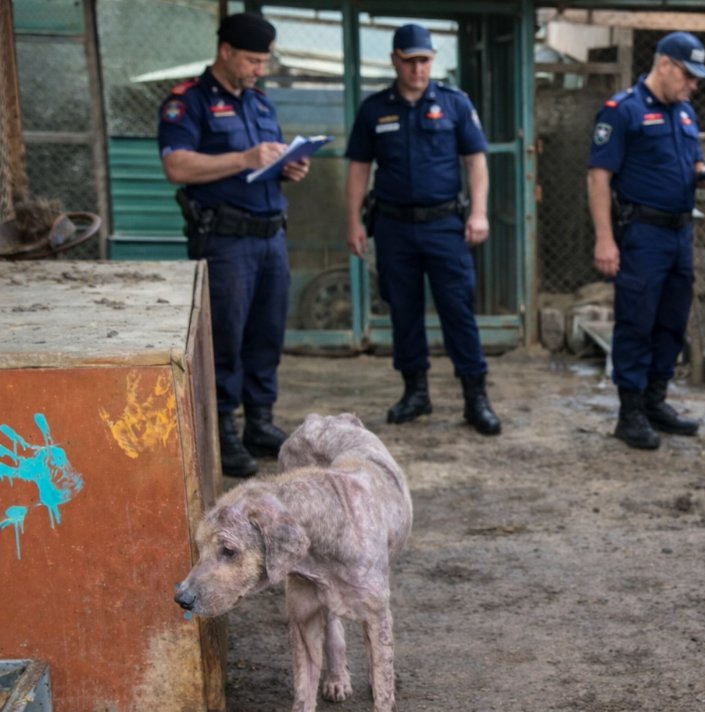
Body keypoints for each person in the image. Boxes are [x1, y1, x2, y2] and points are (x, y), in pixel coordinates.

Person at [158, 11, 310, 478]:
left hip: (271, 235)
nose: (259, 70)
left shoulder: (260, 103)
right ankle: (222, 428)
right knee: (225, 337)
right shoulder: (188, 101)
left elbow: (267, 159)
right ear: (225, 52)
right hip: (225, 240)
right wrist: (244, 158)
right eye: (251, 61)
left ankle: (259, 422)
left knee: (267, 333)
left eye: (264, 61)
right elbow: (177, 167)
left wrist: (289, 166)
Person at [344, 23, 500, 437]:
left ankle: (475, 397)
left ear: (433, 61)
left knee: (458, 310)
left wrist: (479, 213)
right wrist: (353, 221)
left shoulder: (454, 103)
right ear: (395, 60)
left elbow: (476, 161)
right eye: (410, 61)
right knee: (404, 310)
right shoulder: (374, 109)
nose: (418, 69)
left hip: (445, 226)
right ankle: (415, 393)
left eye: (425, 61)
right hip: (393, 227)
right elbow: (359, 168)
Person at [587, 31, 705, 450]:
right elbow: (598, 177)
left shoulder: (684, 112)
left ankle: (655, 402)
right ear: (664, 65)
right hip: (642, 234)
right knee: (637, 321)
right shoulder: (622, 110)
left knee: (671, 321)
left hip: (681, 233)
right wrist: (605, 240)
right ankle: (629, 413)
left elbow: (693, 158)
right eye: (688, 75)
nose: (693, 85)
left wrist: (702, 173)